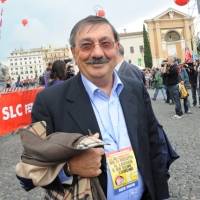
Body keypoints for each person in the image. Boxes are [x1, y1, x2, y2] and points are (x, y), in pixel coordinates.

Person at [31, 16, 169, 199]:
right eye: (86, 45)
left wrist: (162, 195)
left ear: (116, 48)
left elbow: (153, 147)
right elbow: (31, 170)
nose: (97, 53)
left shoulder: (135, 89)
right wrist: (70, 168)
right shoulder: (49, 101)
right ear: (73, 52)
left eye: (106, 43)